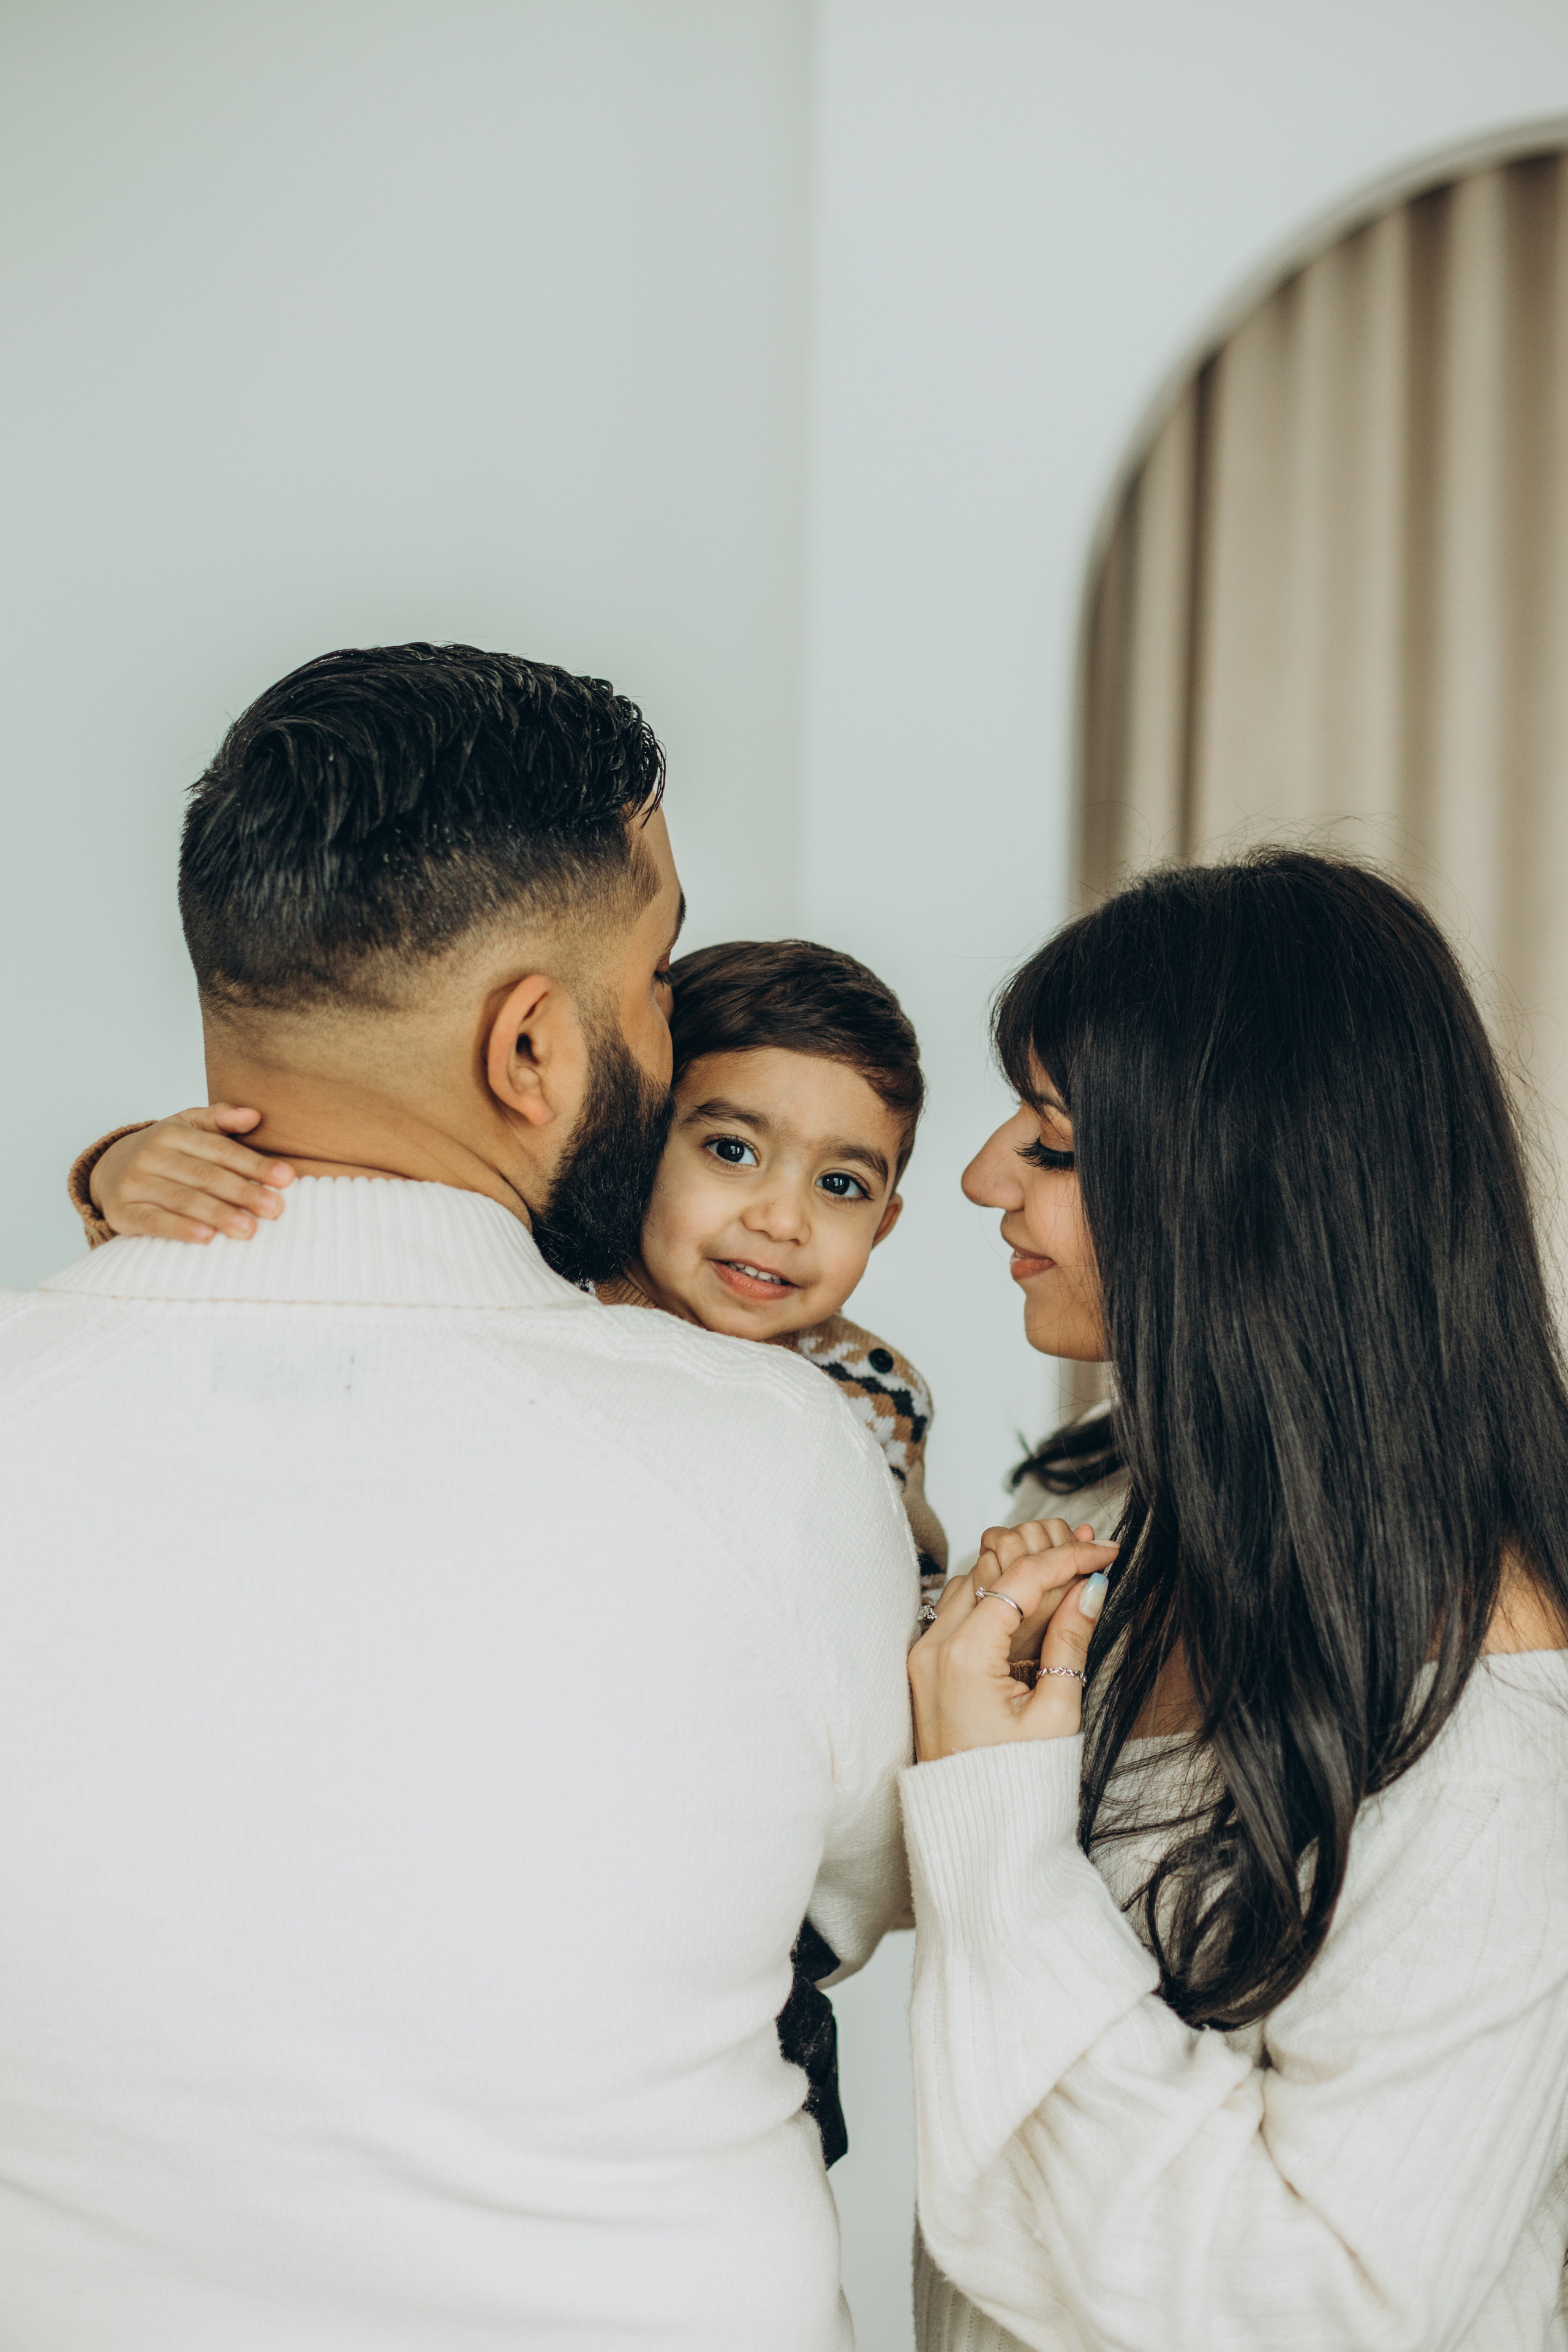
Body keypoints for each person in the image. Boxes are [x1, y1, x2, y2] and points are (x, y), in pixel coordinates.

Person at [0, 643, 916, 2350]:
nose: (666, 1028)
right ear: (529, 1047)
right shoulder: (773, 1459)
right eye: (654, 986)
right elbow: (858, 1889)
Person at [70, 932, 948, 2169]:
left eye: (841, 1188)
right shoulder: (532, 1284)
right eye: (730, 1148)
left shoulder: (860, 1398)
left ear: (889, 1220)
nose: (779, 1218)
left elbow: (877, 1678)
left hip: (728, 1901)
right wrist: (120, 1173)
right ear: (635, 1130)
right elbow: (305, 1282)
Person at [905, 850, 1568, 2351]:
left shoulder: (1490, 1741)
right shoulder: (1088, 1510)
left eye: (1056, 1146)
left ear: (1244, 1191)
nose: (977, 1176)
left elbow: (1323, 2312)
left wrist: (1000, 1828)